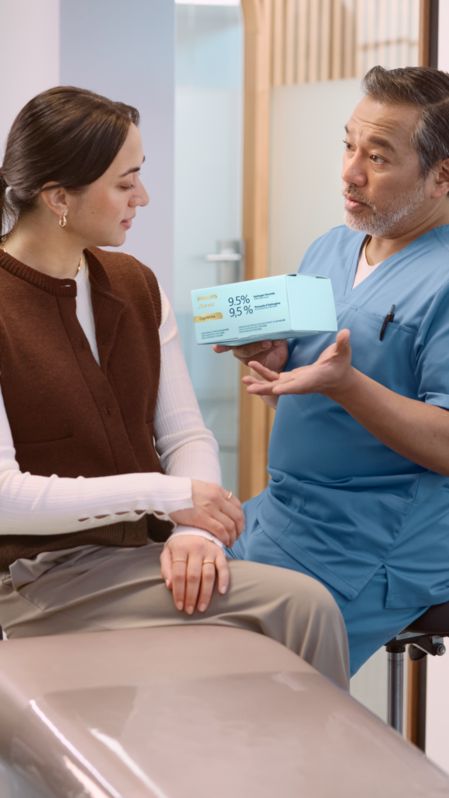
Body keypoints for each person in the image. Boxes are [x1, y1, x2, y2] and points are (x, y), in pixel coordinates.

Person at [0, 86, 349, 689]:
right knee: (299, 606)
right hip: (37, 575)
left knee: (285, 599)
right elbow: (4, 496)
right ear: (58, 197)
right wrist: (167, 496)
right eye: (125, 183)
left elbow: (186, 432)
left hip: (138, 555)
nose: (144, 198)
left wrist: (192, 530)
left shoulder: (135, 284)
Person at [216, 65, 449, 677]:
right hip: (282, 513)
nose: (350, 172)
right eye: (349, 145)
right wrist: (276, 373)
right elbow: (323, 411)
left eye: (377, 157)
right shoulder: (332, 247)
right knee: (168, 622)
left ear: (441, 176)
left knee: (243, 690)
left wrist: (347, 384)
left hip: (372, 543)